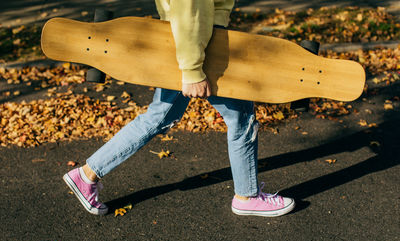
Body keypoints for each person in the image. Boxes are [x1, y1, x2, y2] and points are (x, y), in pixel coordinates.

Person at [63, 0, 295, 217]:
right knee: (241, 119)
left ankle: (86, 174)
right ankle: (247, 197)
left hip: (183, 41)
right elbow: (189, 10)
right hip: (200, 47)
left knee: (158, 117)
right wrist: (192, 70)